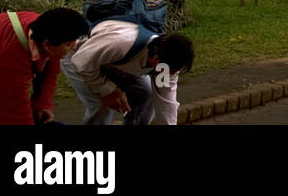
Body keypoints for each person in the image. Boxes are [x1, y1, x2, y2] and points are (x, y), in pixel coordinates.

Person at [0, 8, 88, 125]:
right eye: (68, 45)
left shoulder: (46, 28)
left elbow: (51, 67)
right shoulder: (9, 58)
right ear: (47, 45)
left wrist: (42, 103)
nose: (74, 47)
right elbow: (17, 117)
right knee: (1, 113)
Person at [62, 22, 193, 125]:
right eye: (167, 71)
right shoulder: (121, 43)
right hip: (78, 55)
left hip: (114, 63)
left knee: (146, 94)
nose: (168, 76)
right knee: (102, 105)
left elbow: (166, 104)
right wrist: (108, 90)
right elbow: (80, 62)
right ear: (156, 58)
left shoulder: (167, 64)